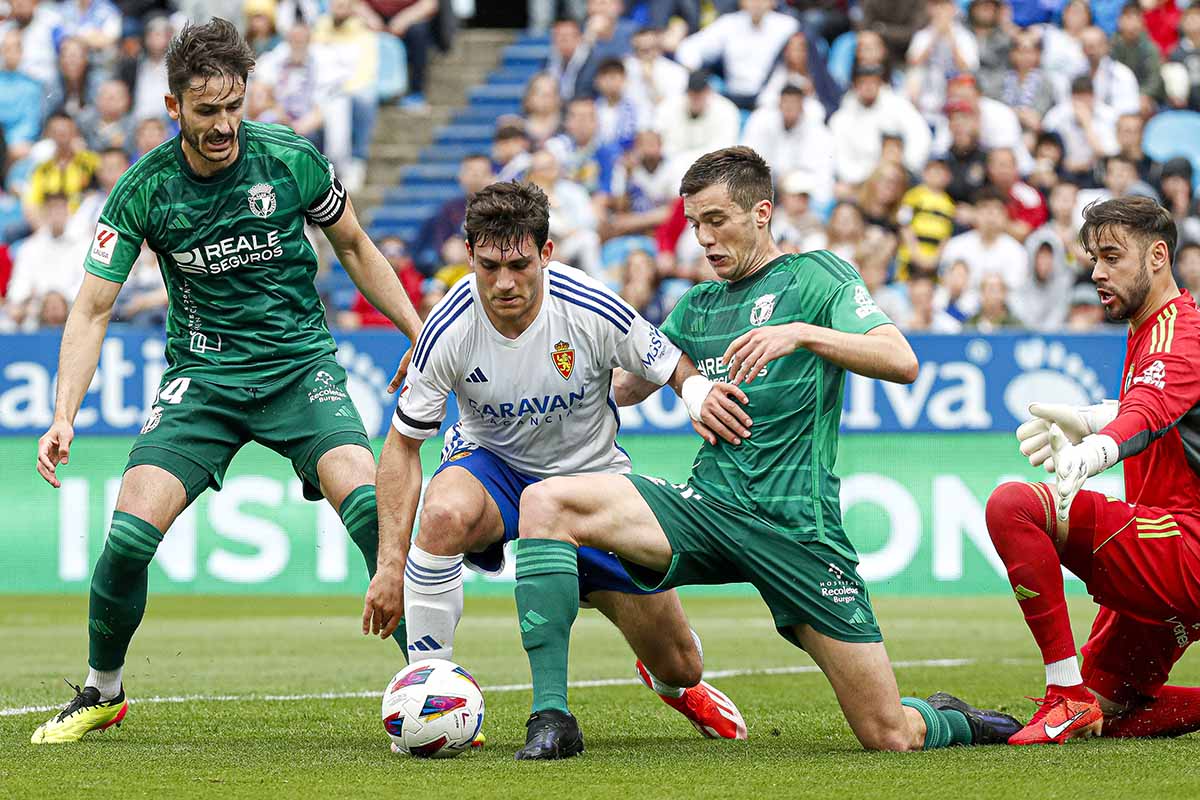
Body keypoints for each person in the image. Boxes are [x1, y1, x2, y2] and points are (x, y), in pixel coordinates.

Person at [502, 146, 1021, 758]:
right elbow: (623, 386)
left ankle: (955, 718)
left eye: (716, 220)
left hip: (796, 530)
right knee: (548, 504)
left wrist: (802, 334)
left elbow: (901, 359)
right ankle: (552, 717)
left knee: (889, 735)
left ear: (762, 212)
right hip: (707, 510)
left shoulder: (816, 277)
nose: (703, 238)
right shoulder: (696, 306)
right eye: (695, 223)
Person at [29, 18, 423, 745]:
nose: (223, 125)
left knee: (375, 510)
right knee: (127, 540)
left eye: (234, 106)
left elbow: (356, 246)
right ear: (174, 106)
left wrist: (417, 333)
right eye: (206, 110)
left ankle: (431, 681)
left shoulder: (291, 160)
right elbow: (91, 309)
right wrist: (64, 415)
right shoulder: (144, 190)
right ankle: (103, 690)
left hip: (299, 366)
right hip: (204, 379)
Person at [362, 180, 751, 752]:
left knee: (681, 663)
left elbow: (670, 364)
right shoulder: (447, 327)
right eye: (489, 266)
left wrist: (697, 396)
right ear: (469, 255)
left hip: (590, 481)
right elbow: (401, 447)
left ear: (546, 252)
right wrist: (390, 565)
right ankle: (431, 697)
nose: (503, 283)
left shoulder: (590, 305)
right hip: (493, 468)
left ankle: (670, 683)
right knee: (443, 514)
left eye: (519, 265)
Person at [994, 196, 1200, 744]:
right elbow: (1170, 408)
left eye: (1112, 257)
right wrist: (1088, 419)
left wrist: (1094, 451)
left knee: (1014, 506)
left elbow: (1149, 410)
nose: (1097, 273)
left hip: (1184, 548)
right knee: (1109, 711)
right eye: (1093, 259)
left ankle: (1063, 694)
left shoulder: (1176, 331)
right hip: (1171, 564)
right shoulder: (1156, 328)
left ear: (1158, 256)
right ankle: (1081, 701)